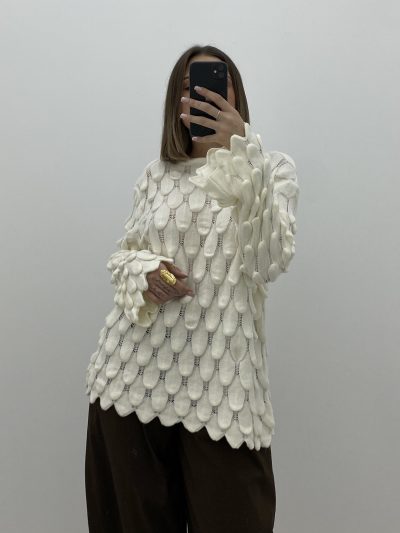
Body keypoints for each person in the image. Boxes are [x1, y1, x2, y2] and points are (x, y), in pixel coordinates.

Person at [84, 44, 299, 533]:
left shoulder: (272, 168)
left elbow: (269, 261)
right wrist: (145, 271)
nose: (199, 96)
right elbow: (122, 257)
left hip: (225, 393)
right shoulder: (156, 175)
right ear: (174, 104)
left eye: (215, 83)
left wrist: (244, 153)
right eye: (187, 88)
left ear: (236, 96)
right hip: (128, 381)